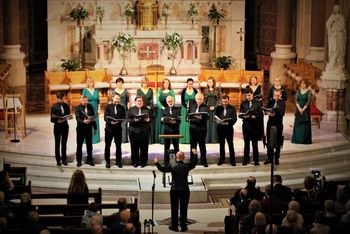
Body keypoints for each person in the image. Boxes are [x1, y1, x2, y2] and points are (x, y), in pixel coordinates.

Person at [154, 149, 198, 232]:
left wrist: (156, 162)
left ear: (176, 158)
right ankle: (183, 226)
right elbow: (195, 163)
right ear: (183, 157)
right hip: (185, 189)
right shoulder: (186, 166)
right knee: (184, 208)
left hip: (174, 190)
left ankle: (174, 226)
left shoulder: (172, 166)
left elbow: (162, 169)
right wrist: (195, 153)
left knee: (174, 208)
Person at [239, 88, 263, 166]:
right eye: (246, 95)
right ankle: (246, 159)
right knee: (246, 144)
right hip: (246, 126)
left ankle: (256, 160)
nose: (248, 97)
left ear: (252, 94)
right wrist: (244, 116)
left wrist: (255, 116)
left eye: (249, 95)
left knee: (254, 144)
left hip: (255, 126)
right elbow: (241, 114)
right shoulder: (243, 103)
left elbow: (261, 114)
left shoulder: (257, 103)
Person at [127, 96, 152, 167]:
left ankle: (143, 162)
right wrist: (133, 120)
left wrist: (149, 120)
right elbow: (127, 119)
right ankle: (135, 162)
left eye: (141, 101)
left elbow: (152, 118)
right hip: (133, 132)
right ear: (135, 102)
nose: (139, 102)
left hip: (144, 131)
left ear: (142, 102)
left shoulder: (147, 109)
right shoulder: (131, 109)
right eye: (138, 101)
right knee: (134, 148)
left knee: (144, 148)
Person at [104, 93, 126, 168]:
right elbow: (105, 118)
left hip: (118, 129)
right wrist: (111, 122)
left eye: (119, 99)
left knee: (118, 146)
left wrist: (119, 121)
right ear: (112, 98)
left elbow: (124, 117)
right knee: (107, 146)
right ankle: (107, 162)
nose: (118, 100)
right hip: (109, 129)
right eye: (116, 98)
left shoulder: (121, 107)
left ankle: (118, 161)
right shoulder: (108, 107)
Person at [264, 89, 285, 165]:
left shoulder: (282, 103)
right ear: (273, 95)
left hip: (278, 124)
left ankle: (276, 158)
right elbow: (265, 110)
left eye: (278, 95)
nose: (276, 97)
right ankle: (269, 158)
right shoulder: (271, 102)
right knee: (269, 142)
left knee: (277, 142)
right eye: (275, 95)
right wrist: (268, 113)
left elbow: (282, 113)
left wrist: (275, 114)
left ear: (281, 95)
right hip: (270, 124)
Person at [214, 95, 237, 166]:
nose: (224, 103)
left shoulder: (232, 108)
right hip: (220, 129)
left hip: (229, 129)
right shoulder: (218, 108)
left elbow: (234, 118)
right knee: (221, 145)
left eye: (226, 101)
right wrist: (217, 121)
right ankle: (222, 159)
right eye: (223, 102)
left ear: (228, 100)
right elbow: (215, 117)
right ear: (221, 101)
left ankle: (232, 160)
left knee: (230, 144)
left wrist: (228, 122)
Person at [75, 94, 97, 167]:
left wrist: (95, 128)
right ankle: (79, 161)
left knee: (89, 145)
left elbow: (93, 117)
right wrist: (83, 121)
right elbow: (77, 118)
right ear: (81, 100)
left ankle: (90, 160)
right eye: (84, 100)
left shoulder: (90, 106)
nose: (85, 102)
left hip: (88, 129)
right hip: (81, 129)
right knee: (79, 145)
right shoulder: (78, 108)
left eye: (86, 100)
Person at [187, 93, 208, 167]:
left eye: (200, 99)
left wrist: (197, 118)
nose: (199, 101)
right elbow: (188, 115)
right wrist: (188, 118)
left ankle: (203, 160)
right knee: (193, 145)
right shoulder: (192, 106)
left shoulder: (205, 107)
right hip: (193, 128)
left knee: (202, 145)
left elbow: (206, 118)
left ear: (203, 99)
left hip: (201, 129)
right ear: (195, 99)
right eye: (198, 99)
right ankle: (193, 160)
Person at [50, 92, 71, 166]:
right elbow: (52, 119)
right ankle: (58, 160)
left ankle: (64, 159)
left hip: (65, 126)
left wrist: (69, 117)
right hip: (57, 127)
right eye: (61, 99)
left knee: (64, 144)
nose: (63, 100)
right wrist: (57, 120)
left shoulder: (66, 106)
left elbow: (69, 115)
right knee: (57, 144)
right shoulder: (54, 106)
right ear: (58, 98)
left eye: (63, 98)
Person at [161, 95, 181, 165]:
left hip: (175, 131)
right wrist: (166, 120)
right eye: (169, 101)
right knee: (166, 147)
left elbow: (179, 121)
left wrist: (174, 121)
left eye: (171, 101)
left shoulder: (177, 109)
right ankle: (166, 162)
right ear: (167, 102)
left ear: (173, 101)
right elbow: (162, 120)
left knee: (176, 147)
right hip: (167, 131)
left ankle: (178, 161)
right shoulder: (164, 110)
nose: (170, 102)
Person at [291, 79, 312, 144]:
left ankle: (304, 140)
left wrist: (303, 109)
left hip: (305, 110)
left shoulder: (309, 92)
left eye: (304, 83)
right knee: (298, 124)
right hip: (298, 109)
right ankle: (296, 139)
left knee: (305, 125)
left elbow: (309, 101)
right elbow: (296, 100)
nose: (302, 85)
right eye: (301, 83)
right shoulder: (298, 91)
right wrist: (299, 108)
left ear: (306, 84)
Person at [326, 5, 346, 71]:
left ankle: (339, 65)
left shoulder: (341, 17)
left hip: (339, 36)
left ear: (339, 9)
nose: (336, 10)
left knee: (339, 49)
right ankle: (332, 64)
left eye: (338, 8)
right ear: (334, 10)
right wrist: (332, 21)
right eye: (335, 8)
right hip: (333, 36)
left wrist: (337, 21)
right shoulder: (332, 17)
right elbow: (327, 25)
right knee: (333, 49)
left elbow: (343, 27)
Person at [156, 78, 175, 143]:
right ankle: (161, 140)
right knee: (162, 123)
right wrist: (162, 107)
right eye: (165, 82)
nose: (166, 84)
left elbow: (173, 100)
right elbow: (157, 100)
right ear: (163, 84)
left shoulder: (171, 91)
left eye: (167, 83)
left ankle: (169, 139)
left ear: (169, 84)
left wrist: (168, 107)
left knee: (168, 123)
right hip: (161, 109)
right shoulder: (159, 90)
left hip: (169, 110)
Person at [111, 77, 130, 143]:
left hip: (124, 109)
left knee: (124, 124)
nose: (119, 84)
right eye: (118, 82)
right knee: (116, 123)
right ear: (116, 83)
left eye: (121, 82)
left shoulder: (126, 91)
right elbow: (111, 101)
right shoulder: (113, 91)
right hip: (116, 109)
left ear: (122, 83)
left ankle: (124, 139)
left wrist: (128, 110)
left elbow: (128, 101)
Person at [203, 77, 222, 143]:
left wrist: (215, 106)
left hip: (215, 109)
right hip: (208, 109)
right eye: (208, 82)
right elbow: (204, 100)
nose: (209, 83)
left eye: (210, 82)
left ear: (213, 82)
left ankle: (214, 139)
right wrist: (207, 107)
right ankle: (207, 139)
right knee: (208, 123)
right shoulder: (205, 90)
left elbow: (219, 99)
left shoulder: (217, 89)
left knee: (214, 123)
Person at [179, 78, 198, 144]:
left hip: (193, 109)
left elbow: (197, 100)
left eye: (191, 84)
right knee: (184, 123)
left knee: (192, 123)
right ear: (187, 83)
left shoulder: (195, 90)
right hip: (185, 108)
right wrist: (186, 107)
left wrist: (192, 107)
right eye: (189, 84)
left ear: (193, 84)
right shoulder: (184, 91)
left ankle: (191, 139)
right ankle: (183, 139)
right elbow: (182, 101)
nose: (190, 85)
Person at [82, 78, 100, 144]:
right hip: (88, 108)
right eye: (90, 82)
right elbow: (83, 100)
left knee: (95, 123)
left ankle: (95, 139)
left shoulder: (96, 90)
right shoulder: (85, 91)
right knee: (88, 123)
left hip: (95, 108)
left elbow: (98, 101)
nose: (91, 84)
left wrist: (99, 108)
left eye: (92, 82)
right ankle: (87, 139)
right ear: (88, 83)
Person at [246, 75, 264, 141]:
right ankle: (249, 135)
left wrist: (259, 99)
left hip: (257, 105)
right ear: (250, 80)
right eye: (252, 80)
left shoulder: (259, 87)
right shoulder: (247, 87)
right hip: (250, 104)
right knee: (250, 118)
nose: (253, 81)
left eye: (254, 80)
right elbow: (245, 96)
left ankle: (259, 135)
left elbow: (262, 96)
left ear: (256, 80)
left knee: (258, 118)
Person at [136, 77, 154, 143]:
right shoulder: (138, 90)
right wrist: (140, 107)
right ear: (141, 83)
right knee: (142, 124)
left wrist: (150, 107)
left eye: (146, 83)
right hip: (141, 109)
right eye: (143, 83)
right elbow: (138, 100)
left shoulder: (150, 90)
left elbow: (152, 100)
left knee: (148, 124)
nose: (144, 84)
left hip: (148, 109)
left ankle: (149, 140)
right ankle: (141, 139)